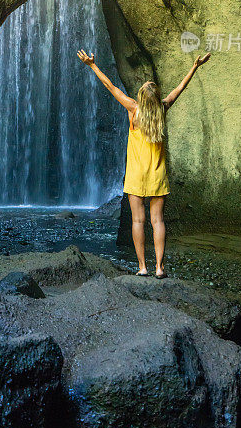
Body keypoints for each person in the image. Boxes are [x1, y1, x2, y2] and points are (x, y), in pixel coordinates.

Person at [77, 48, 211, 277]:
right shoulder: (163, 109)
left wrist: (92, 65)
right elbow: (180, 88)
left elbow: (111, 87)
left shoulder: (133, 109)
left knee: (138, 221)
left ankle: (142, 268)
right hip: (157, 175)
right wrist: (194, 67)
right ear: (157, 98)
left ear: (141, 97)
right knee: (157, 221)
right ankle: (159, 267)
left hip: (136, 175)